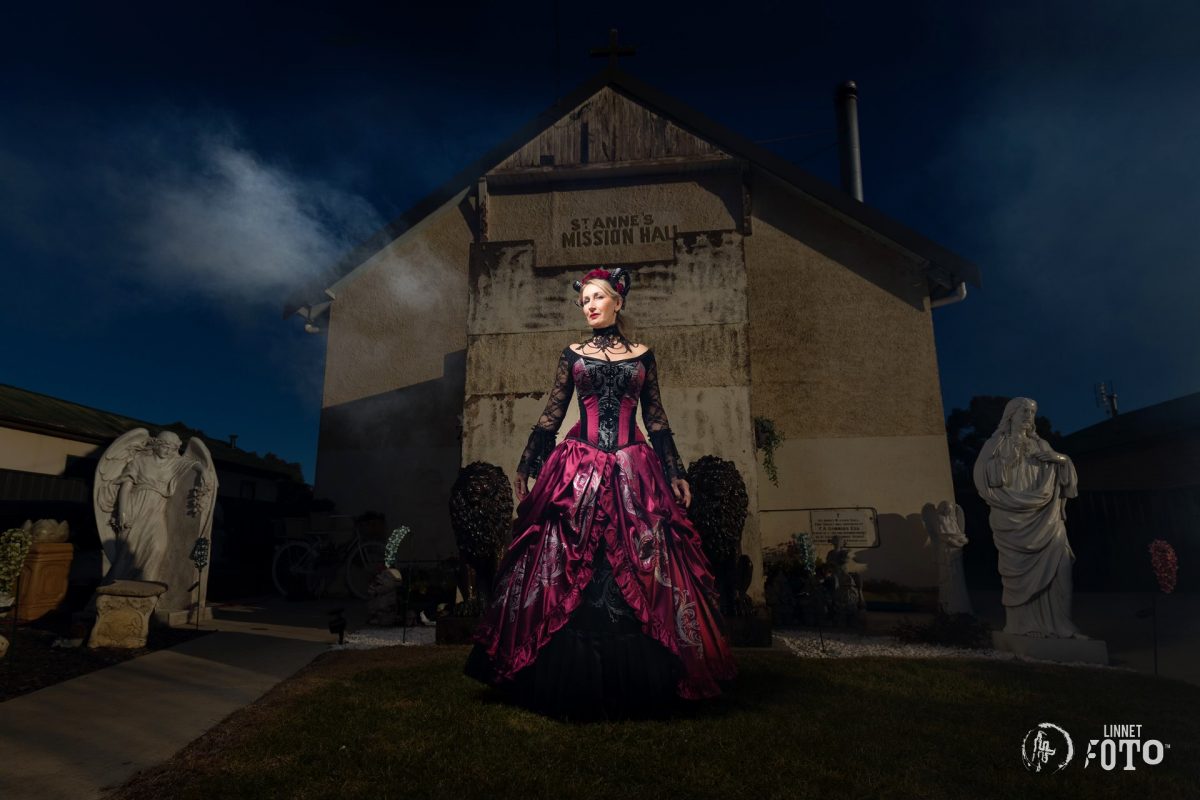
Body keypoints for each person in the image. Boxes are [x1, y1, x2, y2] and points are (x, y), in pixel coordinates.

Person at [465, 267, 736, 719]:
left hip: (634, 466)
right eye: (584, 300)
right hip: (580, 466)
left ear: (618, 302)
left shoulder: (644, 356)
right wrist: (529, 463)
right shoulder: (572, 354)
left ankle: (653, 678)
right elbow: (552, 414)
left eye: (597, 297)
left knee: (647, 563)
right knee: (562, 560)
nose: (589, 305)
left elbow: (656, 418)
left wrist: (675, 471)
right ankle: (554, 675)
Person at [972, 397, 1081, 637]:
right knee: (1017, 577)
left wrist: (1060, 459)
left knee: (1061, 568)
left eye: (1031, 413)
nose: (1028, 417)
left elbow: (1066, 482)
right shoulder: (996, 444)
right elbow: (983, 478)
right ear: (1010, 415)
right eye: (1023, 411)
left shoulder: (1042, 444)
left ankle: (1061, 625)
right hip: (1012, 519)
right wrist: (1006, 462)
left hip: (1047, 518)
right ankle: (1023, 626)